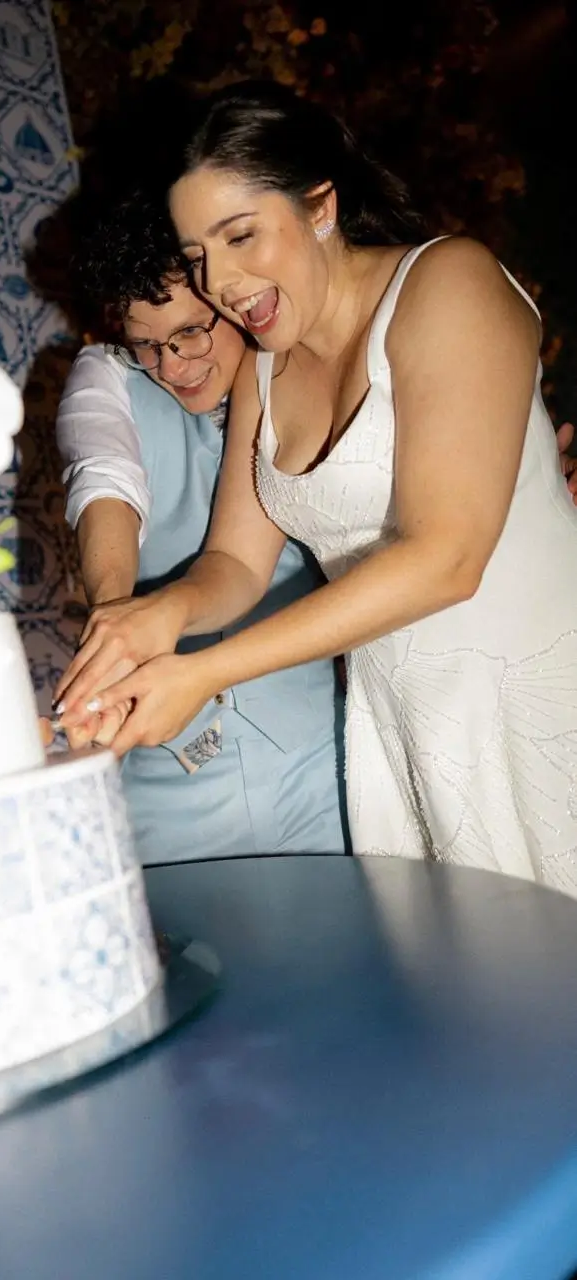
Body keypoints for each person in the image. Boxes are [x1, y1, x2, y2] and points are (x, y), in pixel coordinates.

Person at [56, 80, 577, 895]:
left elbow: (448, 556)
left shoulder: (448, 281)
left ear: (321, 205)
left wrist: (204, 672)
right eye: (198, 256)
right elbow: (233, 560)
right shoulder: (266, 367)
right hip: (403, 731)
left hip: (537, 704)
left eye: (240, 236)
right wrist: (152, 616)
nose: (221, 280)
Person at [51, 184, 348, 863]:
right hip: (170, 782)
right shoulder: (109, 378)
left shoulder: (300, 375)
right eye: (146, 345)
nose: (172, 366)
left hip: (317, 761)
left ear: (228, 302)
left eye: (188, 332)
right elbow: (104, 483)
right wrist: (117, 622)